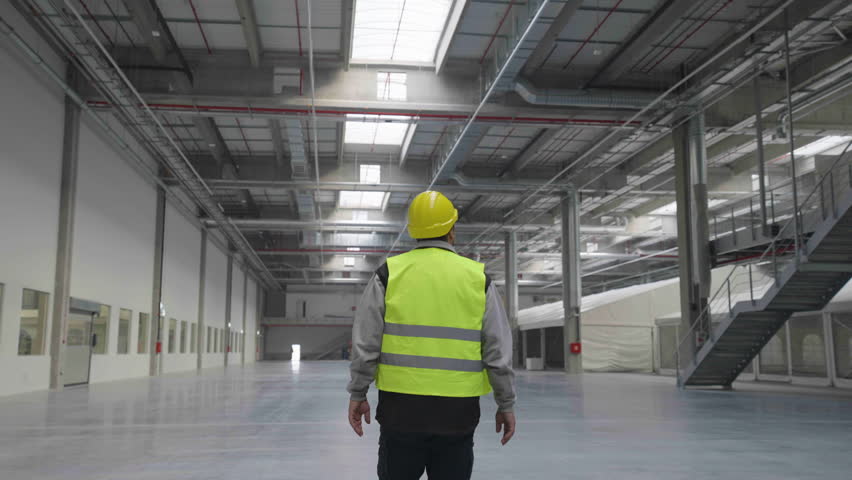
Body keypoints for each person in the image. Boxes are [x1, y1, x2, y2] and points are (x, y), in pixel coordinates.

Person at [347, 190, 516, 480]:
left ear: (413, 231)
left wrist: (358, 393)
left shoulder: (389, 274)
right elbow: (497, 352)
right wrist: (506, 403)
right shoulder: (478, 278)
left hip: (400, 411)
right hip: (457, 413)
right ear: (452, 230)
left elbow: (366, 344)